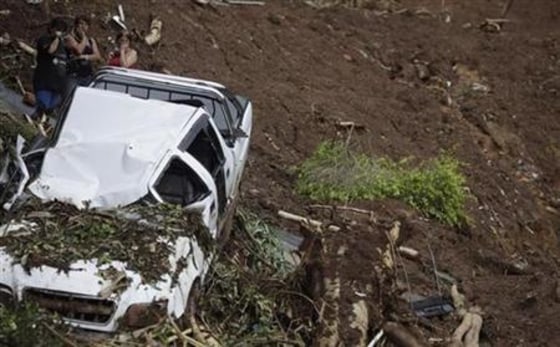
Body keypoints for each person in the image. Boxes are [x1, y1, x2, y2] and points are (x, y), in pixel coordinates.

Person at [31, 17, 69, 119]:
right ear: (51, 28)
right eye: (57, 29)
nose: (59, 32)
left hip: (58, 82)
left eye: (61, 30)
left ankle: (43, 121)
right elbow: (50, 51)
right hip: (44, 79)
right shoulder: (44, 40)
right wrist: (56, 38)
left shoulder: (63, 45)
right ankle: (37, 116)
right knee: (43, 103)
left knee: (51, 107)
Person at [65, 15, 101, 86]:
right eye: (81, 24)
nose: (83, 27)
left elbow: (97, 56)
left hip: (87, 74)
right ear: (76, 25)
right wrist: (84, 38)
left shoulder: (91, 40)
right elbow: (79, 50)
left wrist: (85, 57)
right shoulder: (69, 38)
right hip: (73, 74)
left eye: (86, 24)